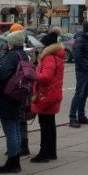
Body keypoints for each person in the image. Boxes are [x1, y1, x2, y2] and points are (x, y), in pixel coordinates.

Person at [0, 28, 30, 173]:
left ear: (12, 43)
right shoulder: (24, 55)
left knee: (10, 130)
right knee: (16, 128)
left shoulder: (11, 56)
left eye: (8, 42)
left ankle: (12, 161)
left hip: (8, 95)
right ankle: (16, 161)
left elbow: (3, 74)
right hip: (19, 94)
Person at [31, 31, 65, 162]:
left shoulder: (49, 57)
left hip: (46, 95)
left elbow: (46, 77)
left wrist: (34, 73)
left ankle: (44, 153)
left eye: (42, 44)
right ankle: (51, 152)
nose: (41, 47)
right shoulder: (56, 56)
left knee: (45, 124)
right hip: (53, 93)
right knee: (50, 123)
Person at [69, 22, 88, 128]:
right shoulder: (80, 40)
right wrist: (86, 67)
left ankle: (81, 116)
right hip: (82, 71)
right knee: (79, 94)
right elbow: (77, 57)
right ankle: (72, 118)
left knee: (85, 94)